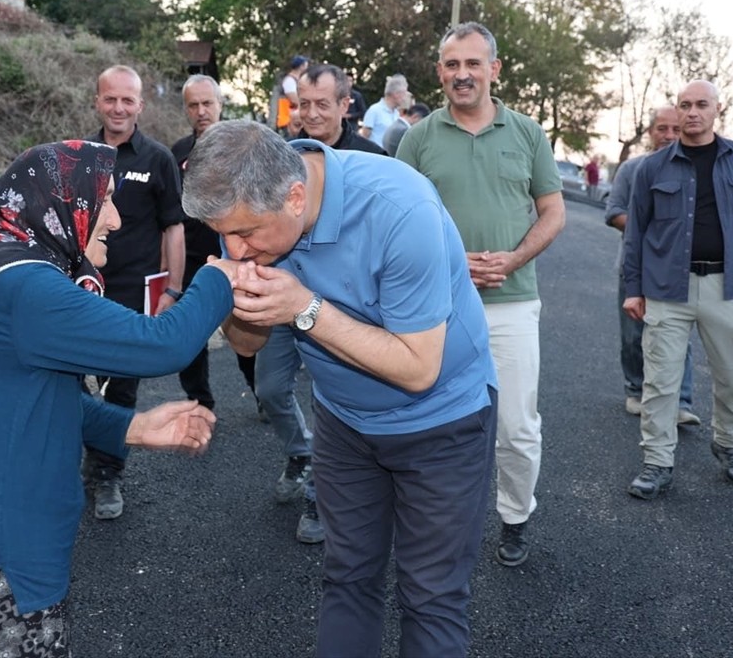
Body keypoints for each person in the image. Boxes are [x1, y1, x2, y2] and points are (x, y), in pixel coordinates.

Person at [0, 140, 234, 658]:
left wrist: (130, 428)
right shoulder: (25, 287)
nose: (116, 219)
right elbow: (164, 343)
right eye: (106, 201)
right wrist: (220, 276)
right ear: (62, 202)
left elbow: (13, 400)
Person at [184, 120, 497, 658]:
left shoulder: (400, 209)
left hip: (443, 421)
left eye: (246, 235)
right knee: (347, 577)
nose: (235, 246)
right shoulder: (246, 206)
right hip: (344, 422)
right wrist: (235, 297)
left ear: (296, 197)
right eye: (225, 233)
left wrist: (304, 309)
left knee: (431, 596)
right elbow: (247, 346)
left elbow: (419, 367)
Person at [395, 22, 564, 568]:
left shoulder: (528, 133)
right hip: (436, 305)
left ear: (494, 69)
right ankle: (436, 523)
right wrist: (449, 262)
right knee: (430, 421)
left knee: (515, 426)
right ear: (440, 72)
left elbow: (553, 211)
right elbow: (397, 217)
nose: (461, 74)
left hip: (512, 302)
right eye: (451, 65)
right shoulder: (417, 139)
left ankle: (515, 517)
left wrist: (513, 259)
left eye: (472, 64)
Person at [622, 80, 733, 500]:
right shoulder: (652, 169)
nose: (692, 112)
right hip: (666, 290)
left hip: (728, 287)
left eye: (701, 105)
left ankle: (730, 443)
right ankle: (657, 461)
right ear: (676, 112)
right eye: (684, 106)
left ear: (717, 109)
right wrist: (633, 288)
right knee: (660, 381)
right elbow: (635, 233)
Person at [260, 63, 385, 545]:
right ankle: (300, 451)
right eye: (302, 104)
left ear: (344, 105)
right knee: (270, 390)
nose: (310, 114)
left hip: (344, 308)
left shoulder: (373, 158)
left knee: (330, 399)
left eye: (321, 104)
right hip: (282, 295)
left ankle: (318, 494)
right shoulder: (277, 157)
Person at [84, 64, 186, 520]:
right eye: (111, 99)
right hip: (82, 288)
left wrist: (174, 289)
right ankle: (77, 454)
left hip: (134, 292)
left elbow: (174, 228)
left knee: (122, 386)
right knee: (70, 379)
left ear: (140, 105)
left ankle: (108, 473)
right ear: (97, 101)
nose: (119, 108)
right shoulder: (77, 155)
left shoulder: (158, 159)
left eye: (128, 100)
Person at [605, 106, 698, 424]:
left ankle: (681, 401)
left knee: (678, 336)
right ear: (650, 132)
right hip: (634, 266)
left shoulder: (693, 170)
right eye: (662, 129)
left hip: (678, 270)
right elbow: (613, 211)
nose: (669, 135)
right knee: (633, 334)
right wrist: (651, 230)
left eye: (675, 129)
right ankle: (635, 391)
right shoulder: (632, 169)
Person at [171, 74, 258, 412]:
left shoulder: (244, 148)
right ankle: (200, 403)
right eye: (193, 105)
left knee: (246, 334)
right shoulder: (177, 153)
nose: (201, 111)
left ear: (221, 105)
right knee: (191, 336)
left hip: (239, 256)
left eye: (207, 103)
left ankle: (263, 394)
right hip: (192, 259)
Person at [359, 73, 407, 148]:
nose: (405, 98)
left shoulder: (397, 113)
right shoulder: (374, 110)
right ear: (396, 94)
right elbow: (364, 137)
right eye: (404, 94)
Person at [270, 55, 309, 139]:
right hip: (288, 120)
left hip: (295, 121)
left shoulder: (296, 80)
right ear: (301, 66)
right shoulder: (289, 81)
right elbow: (294, 100)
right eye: (306, 64)